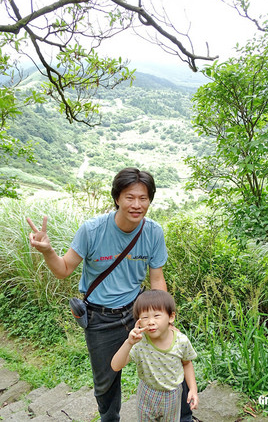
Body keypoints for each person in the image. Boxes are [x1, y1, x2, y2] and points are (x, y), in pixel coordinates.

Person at [26, 167, 194, 422]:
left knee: (169, 359)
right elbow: (64, 269)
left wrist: (167, 320)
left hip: (137, 310)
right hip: (100, 318)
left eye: (143, 198)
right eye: (129, 197)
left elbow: (156, 278)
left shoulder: (153, 232)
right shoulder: (92, 230)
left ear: (150, 200)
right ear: (117, 198)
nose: (136, 204)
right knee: (106, 381)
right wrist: (48, 251)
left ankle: (183, 417)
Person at [111, 290, 199, 422]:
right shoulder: (140, 343)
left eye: (157, 315)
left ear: (171, 317)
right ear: (139, 322)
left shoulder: (181, 341)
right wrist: (128, 343)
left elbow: (186, 363)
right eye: (145, 317)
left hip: (172, 395)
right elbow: (116, 366)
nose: (151, 322)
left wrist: (193, 389)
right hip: (147, 393)